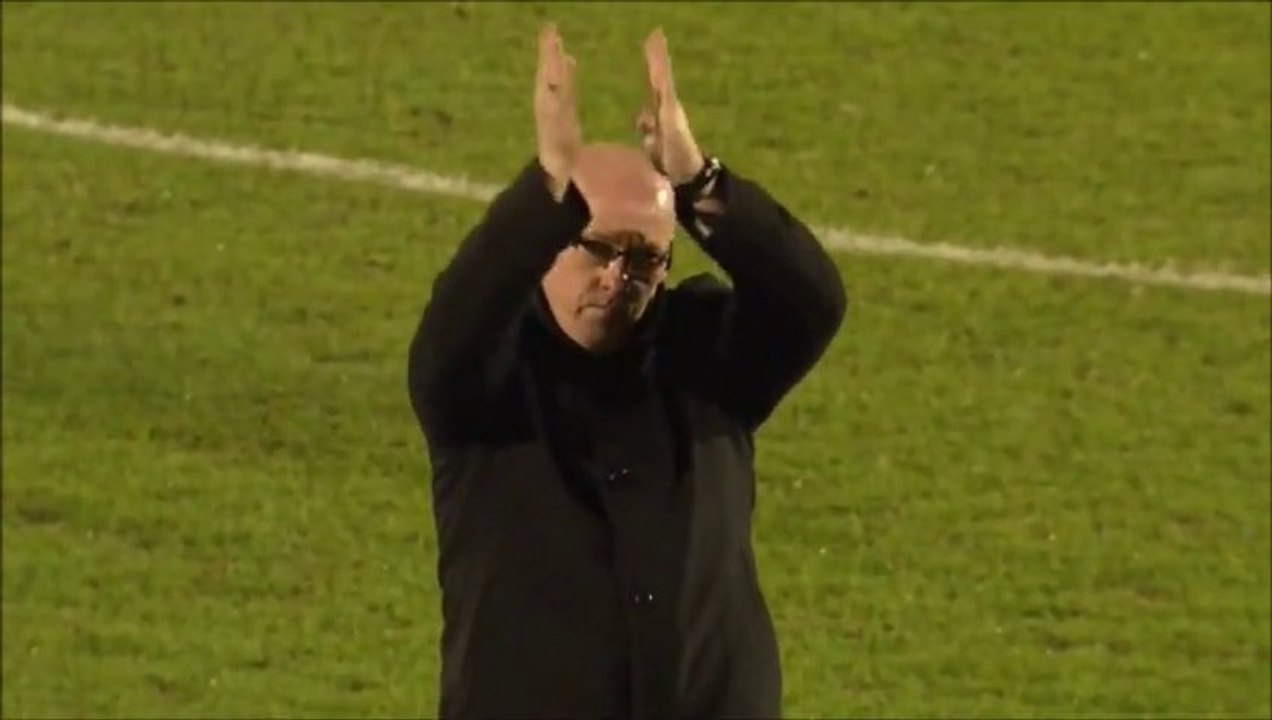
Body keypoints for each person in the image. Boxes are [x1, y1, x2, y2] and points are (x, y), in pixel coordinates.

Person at [407, 23, 847, 719]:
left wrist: (698, 180)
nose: (617, 279)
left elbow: (813, 302)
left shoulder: (708, 361)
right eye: (597, 248)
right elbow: (453, 326)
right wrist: (544, 188)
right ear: (550, 245)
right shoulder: (486, 382)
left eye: (644, 258)